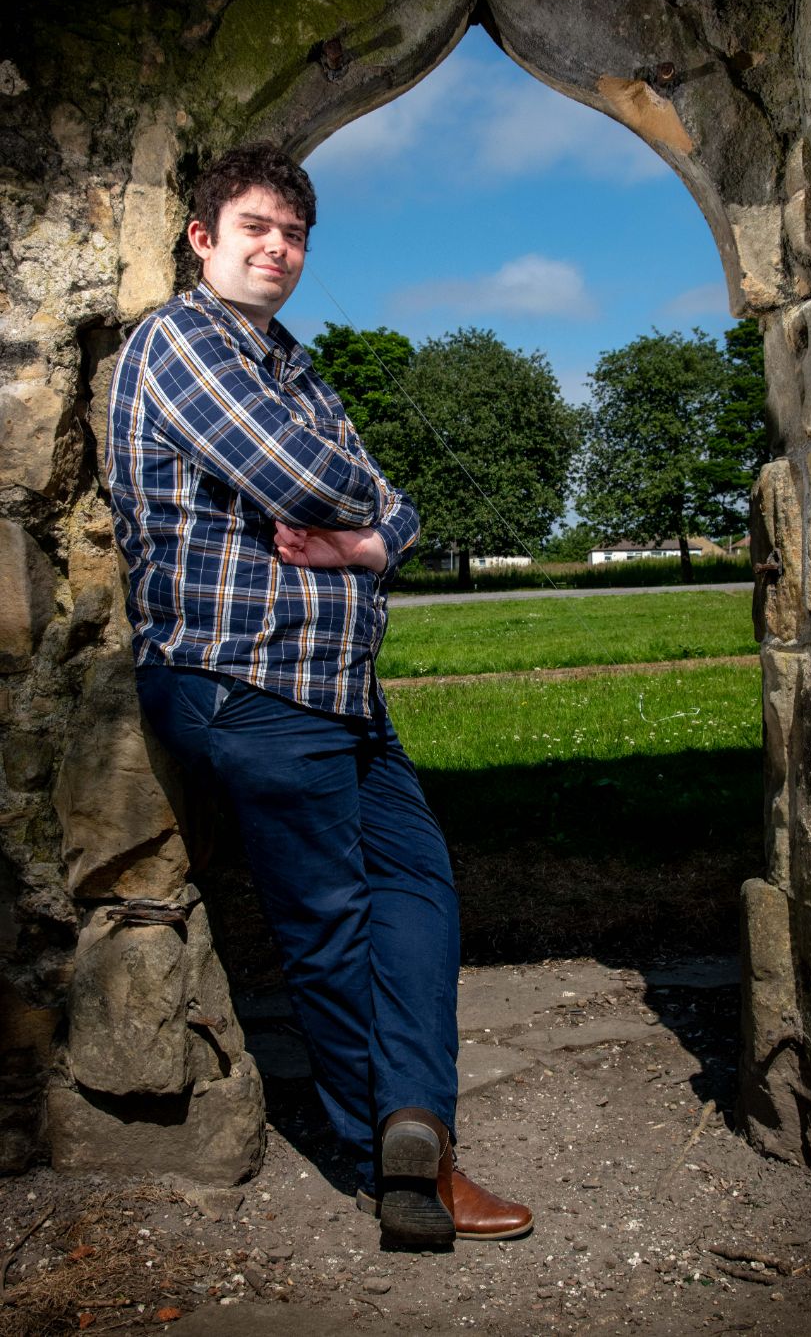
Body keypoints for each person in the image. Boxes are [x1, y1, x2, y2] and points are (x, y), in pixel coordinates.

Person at [106, 141, 532, 1247]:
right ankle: (397, 1164)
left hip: (338, 686)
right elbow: (309, 476)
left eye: (294, 235)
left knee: (421, 881)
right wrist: (359, 513)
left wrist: (357, 546)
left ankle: (409, 1120)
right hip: (244, 682)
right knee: (330, 923)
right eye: (255, 228)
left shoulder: (288, 358)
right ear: (202, 238)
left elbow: (397, 510)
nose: (279, 249)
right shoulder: (180, 341)